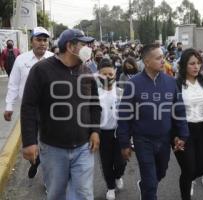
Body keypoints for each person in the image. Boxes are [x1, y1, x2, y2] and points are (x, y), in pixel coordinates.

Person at [21, 29, 101, 200]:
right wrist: (29, 141)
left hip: (83, 148)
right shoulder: (41, 70)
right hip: (52, 149)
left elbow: (95, 105)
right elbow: (28, 106)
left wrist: (95, 130)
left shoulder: (87, 72)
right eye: (84, 44)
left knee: (84, 194)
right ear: (70, 46)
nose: (89, 48)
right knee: (56, 194)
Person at [117, 43, 189, 200]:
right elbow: (124, 115)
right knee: (150, 182)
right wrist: (124, 143)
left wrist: (182, 134)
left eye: (163, 57)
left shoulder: (170, 82)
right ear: (147, 62)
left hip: (165, 139)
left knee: (160, 172)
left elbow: (179, 110)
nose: (163, 61)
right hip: (143, 140)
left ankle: (146, 186)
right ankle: (148, 190)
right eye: (158, 58)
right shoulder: (133, 84)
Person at [174, 49, 203, 200]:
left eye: (199, 63)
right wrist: (174, 136)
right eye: (192, 63)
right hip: (183, 131)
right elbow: (169, 111)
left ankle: (190, 180)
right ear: (184, 65)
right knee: (188, 169)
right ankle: (186, 193)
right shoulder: (175, 84)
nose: (196, 67)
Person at [4, 27, 53, 122]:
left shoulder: (54, 59)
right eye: (38, 40)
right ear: (31, 42)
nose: (42, 43)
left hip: (50, 109)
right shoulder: (21, 60)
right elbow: (14, 84)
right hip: (28, 109)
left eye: (45, 40)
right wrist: (9, 105)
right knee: (29, 136)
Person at [96, 58, 127, 200]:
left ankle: (118, 176)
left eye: (110, 73)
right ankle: (110, 187)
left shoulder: (121, 92)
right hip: (103, 134)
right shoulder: (95, 94)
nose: (107, 77)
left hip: (119, 133)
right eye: (104, 74)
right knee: (106, 162)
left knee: (120, 162)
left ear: (114, 73)